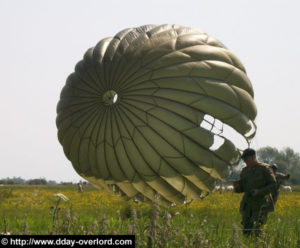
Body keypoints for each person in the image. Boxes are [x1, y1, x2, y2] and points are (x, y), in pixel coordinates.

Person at [233, 148, 276, 236]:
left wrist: (259, 191)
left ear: (253, 157)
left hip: (261, 203)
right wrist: (237, 187)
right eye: (243, 159)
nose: (244, 161)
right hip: (248, 205)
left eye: (246, 158)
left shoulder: (265, 168)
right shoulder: (244, 171)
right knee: (246, 231)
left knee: (257, 230)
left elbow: (273, 184)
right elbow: (242, 189)